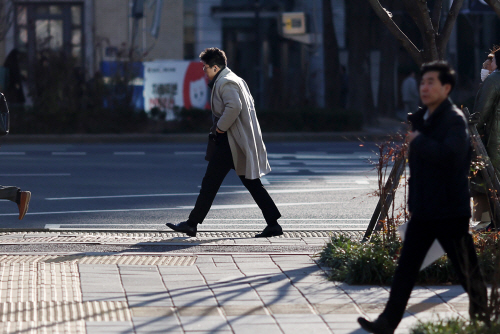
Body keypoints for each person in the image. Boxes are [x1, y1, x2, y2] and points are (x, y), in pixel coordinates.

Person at [357, 61, 488, 334]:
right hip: (425, 210)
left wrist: (418, 141)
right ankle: (386, 323)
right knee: (405, 270)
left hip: (449, 211)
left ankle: (484, 319)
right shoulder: (424, 118)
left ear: (446, 87)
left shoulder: (453, 119)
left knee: (466, 269)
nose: (424, 87)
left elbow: (451, 157)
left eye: (431, 82)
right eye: (423, 82)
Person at [166, 47, 282, 238]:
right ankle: (273, 223)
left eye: (205, 67)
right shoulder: (234, 79)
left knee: (210, 183)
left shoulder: (226, 82)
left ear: (214, 67)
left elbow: (234, 106)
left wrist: (219, 128)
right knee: (251, 183)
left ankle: (192, 224)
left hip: (230, 142)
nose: (204, 71)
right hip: (237, 141)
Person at [471, 48, 500, 227]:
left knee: (486, 183)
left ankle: (486, 223)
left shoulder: (494, 80)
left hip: (493, 143)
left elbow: (479, 116)